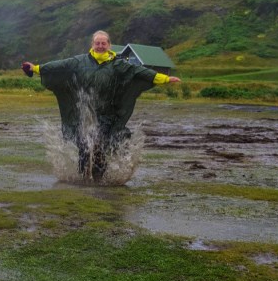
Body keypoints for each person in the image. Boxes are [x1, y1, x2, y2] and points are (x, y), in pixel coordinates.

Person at [21, 30, 180, 181]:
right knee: (84, 146)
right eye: (97, 43)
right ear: (92, 44)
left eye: (103, 43)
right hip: (84, 114)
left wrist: (165, 79)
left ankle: (99, 179)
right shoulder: (79, 61)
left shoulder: (118, 65)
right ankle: (83, 178)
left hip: (107, 115)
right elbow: (59, 66)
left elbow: (140, 72)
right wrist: (35, 68)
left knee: (98, 145)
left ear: (109, 45)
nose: (100, 46)